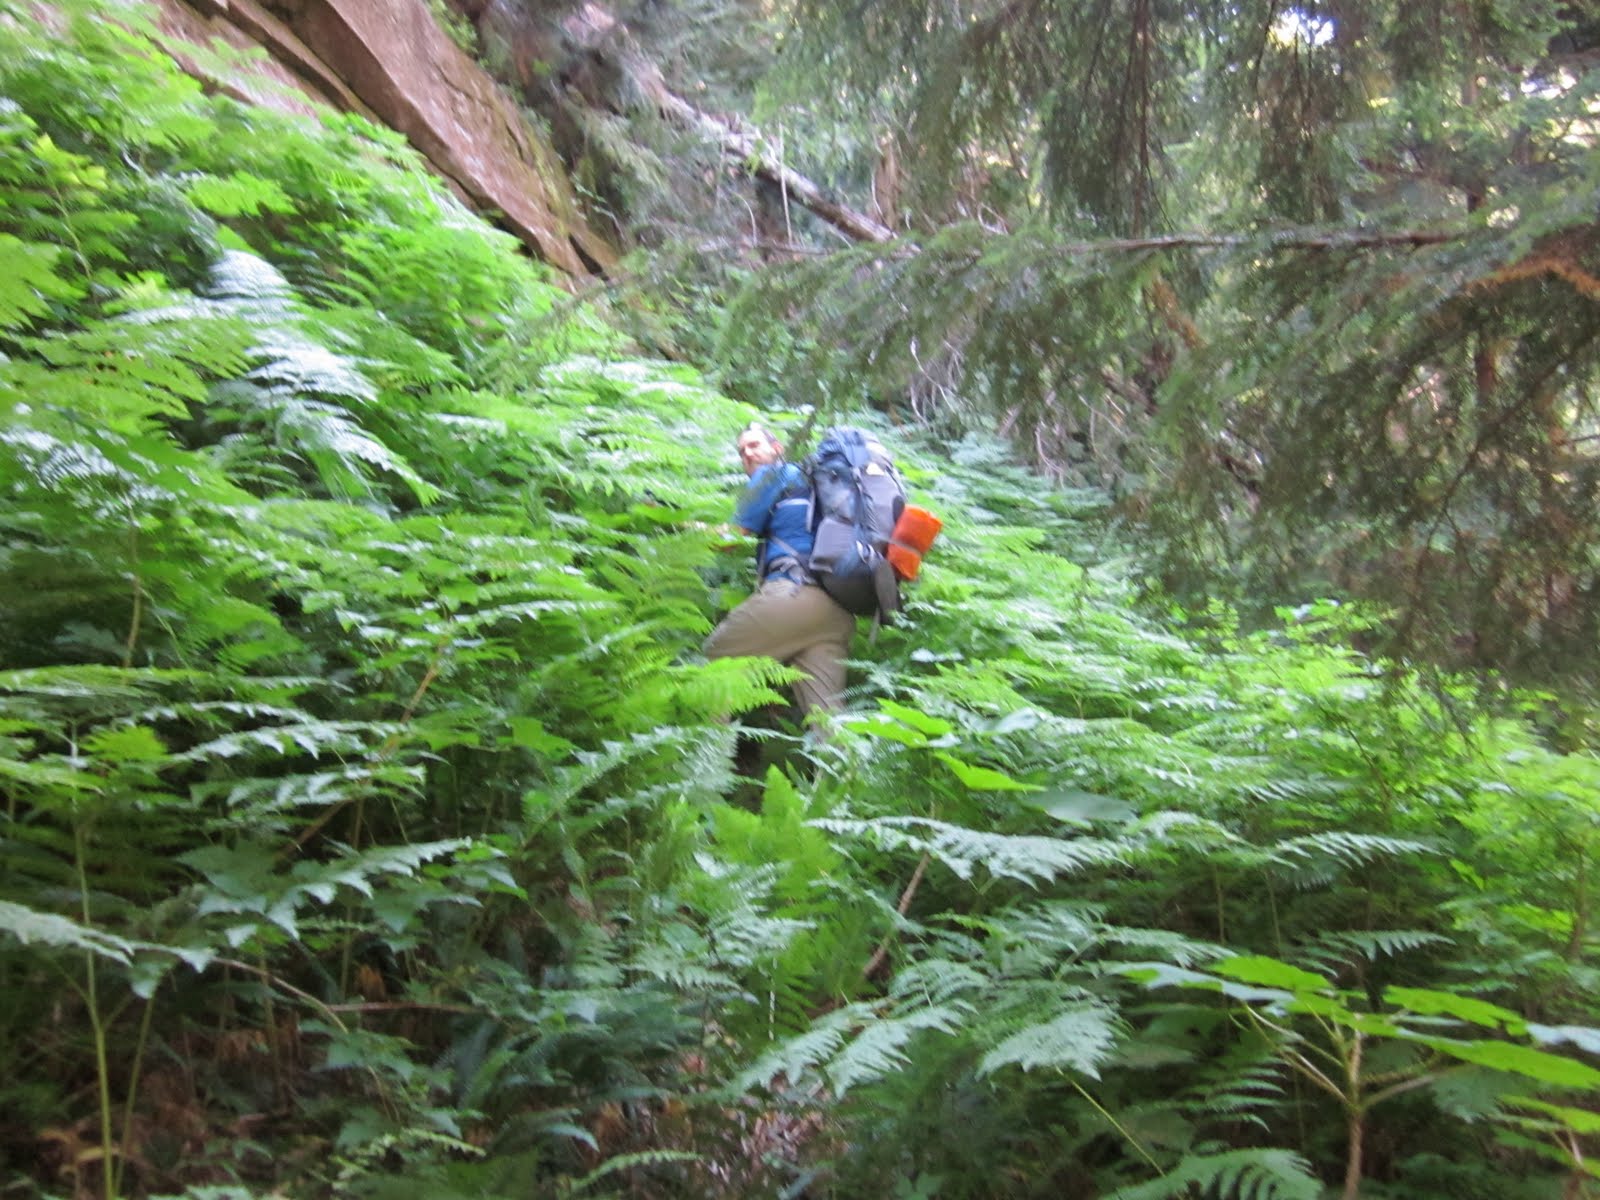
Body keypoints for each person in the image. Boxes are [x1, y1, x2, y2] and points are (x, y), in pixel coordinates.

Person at [703, 423, 855, 723]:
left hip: (794, 593)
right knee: (829, 722)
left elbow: (732, 538)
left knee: (712, 664)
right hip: (838, 611)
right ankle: (845, 770)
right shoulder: (820, 488)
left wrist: (681, 526)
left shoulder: (773, 475)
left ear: (777, 449)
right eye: (742, 451)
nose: (748, 454)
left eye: (755, 445)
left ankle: (706, 762)